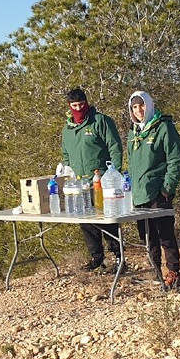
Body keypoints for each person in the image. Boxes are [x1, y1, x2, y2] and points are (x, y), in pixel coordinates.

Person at [60, 87, 124, 271]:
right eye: (74, 105)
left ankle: (119, 256)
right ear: (69, 106)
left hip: (102, 179)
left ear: (86, 103)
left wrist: (115, 172)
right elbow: (65, 152)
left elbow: (114, 145)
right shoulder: (68, 128)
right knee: (86, 222)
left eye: (81, 104)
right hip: (79, 183)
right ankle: (97, 258)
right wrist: (67, 169)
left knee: (108, 219)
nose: (79, 108)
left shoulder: (100, 121)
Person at [126, 91, 180, 291]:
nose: (139, 110)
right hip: (139, 192)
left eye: (141, 105)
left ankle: (173, 272)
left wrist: (168, 187)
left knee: (165, 233)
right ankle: (156, 272)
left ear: (149, 105)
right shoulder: (133, 132)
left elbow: (176, 159)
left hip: (159, 191)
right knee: (147, 237)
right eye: (134, 107)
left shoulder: (163, 127)